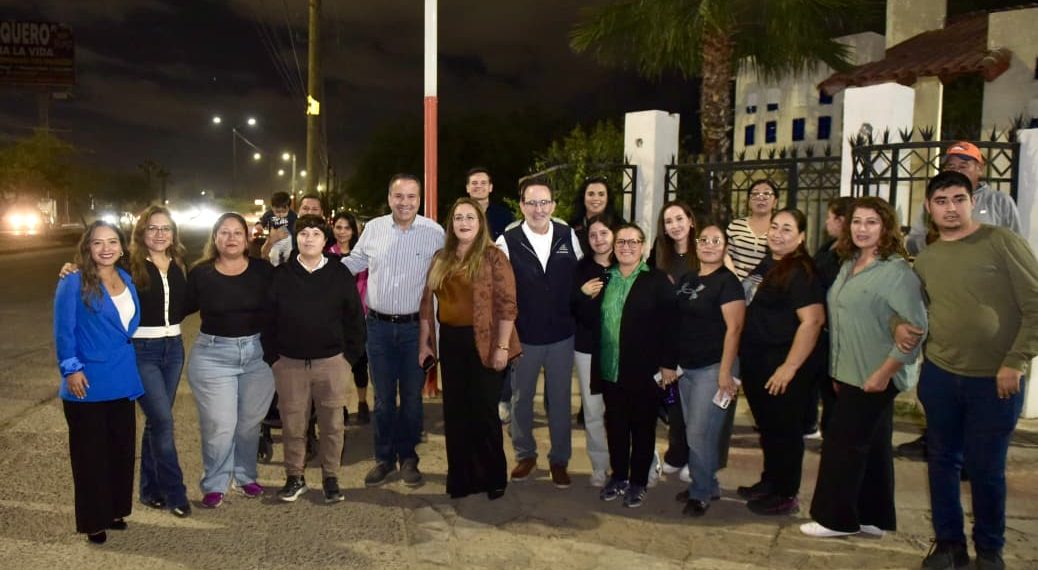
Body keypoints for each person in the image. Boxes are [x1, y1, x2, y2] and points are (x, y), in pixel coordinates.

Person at [901, 171, 1038, 570]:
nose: (950, 208)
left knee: (986, 468)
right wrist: (901, 327)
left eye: (958, 199)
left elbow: (1035, 304)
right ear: (929, 208)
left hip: (996, 379)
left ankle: (990, 550)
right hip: (942, 376)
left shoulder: (1001, 242)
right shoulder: (926, 259)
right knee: (942, 463)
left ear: (970, 201)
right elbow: (920, 312)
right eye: (941, 201)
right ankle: (949, 545)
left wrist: (1016, 360)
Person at [800, 197, 927, 539]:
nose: (862, 228)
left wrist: (883, 374)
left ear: (886, 227)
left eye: (872, 222)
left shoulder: (897, 271)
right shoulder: (849, 263)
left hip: (876, 374)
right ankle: (873, 516)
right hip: (850, 372)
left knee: (843, 445)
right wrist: (840, 372)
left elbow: (916, 329)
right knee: (873, 446)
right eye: (857, 221)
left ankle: (835, 518)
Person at [899, 141, 1024, 462]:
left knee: (985, 455)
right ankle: (935, 439)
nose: (956, 166)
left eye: (964, 162)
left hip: (991, 330)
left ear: (980, 168)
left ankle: (973, 454)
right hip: (945, 312)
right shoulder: (932, 205)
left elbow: (1017, 251)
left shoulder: (999, 204)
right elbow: (915, 241)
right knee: (943, 421)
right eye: (950, 163)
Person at [343, 174, 445, 488]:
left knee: (412, 399)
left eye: (411, 197)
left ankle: (409, 457)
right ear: (389, 198)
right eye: (399, 196)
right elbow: (354, 262)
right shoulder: (373, 229)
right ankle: (384, 459)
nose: (405, 202)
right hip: (378, 329)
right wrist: (315, 267)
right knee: (384, 399)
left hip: (417, 329)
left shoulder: (435, 233)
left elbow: (451, 272)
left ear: (420, 199)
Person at [418, 198, 521, 499]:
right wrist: (425, 343)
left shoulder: (493, 257)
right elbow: (426, 306)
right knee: (457, 413)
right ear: (451, 224)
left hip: (486, 342)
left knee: (484, 412)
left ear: (480, 223)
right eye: (458, 218)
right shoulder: (441, 257)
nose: (464, 223)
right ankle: (461, 479)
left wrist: (502, 346)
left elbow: (507, 305)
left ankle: (493, 477)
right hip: (451, 342)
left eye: (470, 218)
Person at [53, 221, 144, 544]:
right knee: (90, 456)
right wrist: (71, 369)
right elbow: (64, 331)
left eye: (112, 242)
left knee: (121, 450)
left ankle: (115, 510)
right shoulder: (73, 281)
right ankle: (93, 520)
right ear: (87, 248)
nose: (106, 248)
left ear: (121, 246)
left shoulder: (128, 279)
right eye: (97, 243)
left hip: (122, 379)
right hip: (87, 381)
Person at [578, 223, 677, 508]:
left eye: (633, 242)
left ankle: (638, 482)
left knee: (643, 427)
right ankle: (618, 476)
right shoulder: (605, 279)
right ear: (614, 246)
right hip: (610, 368)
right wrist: (584, 296)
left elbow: (672, 325)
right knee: (616, 426)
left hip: (644, 370)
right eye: (621, 242)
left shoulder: (657, 281)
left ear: (643, 246)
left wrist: (669, 365)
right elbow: (586, 318)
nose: (626, 247)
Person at [269, 215, 366, 504]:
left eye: (315, 234)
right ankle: (294, 477)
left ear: (326, 241)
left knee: (333, 424)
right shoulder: (282, 275)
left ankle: (331, 478)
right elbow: (268, 319)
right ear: (296, 238)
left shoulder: (339, 274)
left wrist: (347, 358)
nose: (309, 238)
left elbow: (354, 320)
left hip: (331, 363)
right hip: (289, 364)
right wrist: (273, 357)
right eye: (304, 233)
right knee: (293, 423)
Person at [737, 208, 826, 516]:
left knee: (785, 431)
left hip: (783, 364)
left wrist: (789, 367)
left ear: (801, 237)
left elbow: (812, 321)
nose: (777, 233)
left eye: (787, 229)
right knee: (769, 428)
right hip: (758, 361)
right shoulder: (769, 262)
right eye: (774, 227)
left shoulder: (801, 271)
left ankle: (786, 493)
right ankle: (771, 481)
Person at [496, 178, 583, 488]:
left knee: (559, 401)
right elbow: (498, 289)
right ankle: (525, 455)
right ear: (521, 206)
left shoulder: (567, 235)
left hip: (561, 334)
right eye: (531, 203)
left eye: (544, 202)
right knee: (521, 400)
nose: (538, 209)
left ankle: (559, 460)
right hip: (525, 336)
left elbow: (582, 273)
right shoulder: (507, 240)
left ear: (553, 206)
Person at [185, 213, 276, 508]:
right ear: (215, 238)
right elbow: (171, 305)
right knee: (221, 424)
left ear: (247, 237)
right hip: (213, 356)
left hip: (257, 356)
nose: (231, 238)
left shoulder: (264, 271)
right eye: (224, 233)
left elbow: (290, 297)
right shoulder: (201, 273)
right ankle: (215, 482)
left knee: (249, 424)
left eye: (237, 232)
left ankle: (246, 476)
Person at [671, 224, 745, 517]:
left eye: (717, 240)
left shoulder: (728, 283)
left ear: (725, 246)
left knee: (699, 433)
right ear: (696, 244)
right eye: (704, 240)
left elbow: (735, 329)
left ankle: (700, 492)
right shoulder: (688, 278)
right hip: (687, 368)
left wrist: (725, 372)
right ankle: (709, 483)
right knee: (697, 431)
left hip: (713, 368)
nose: (709, 245)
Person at [648, 200, 698, 481]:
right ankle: (677, 454)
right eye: (668, 221)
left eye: (679, 219)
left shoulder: (705, 251)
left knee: (696, 406)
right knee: (673, 404)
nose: (675, 226)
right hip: (667, 344)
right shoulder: (660, 254)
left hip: (696, 342)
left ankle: (696, 457)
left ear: (690, 221)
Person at [571, 213, 618, 487]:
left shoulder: (627, 264)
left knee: (624, 410)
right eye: (593, 235)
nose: (599, 240)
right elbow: (570, 305)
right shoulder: (581, 269)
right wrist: (582, 293)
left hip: (622, 349)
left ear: (613, 235)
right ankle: (600, 466)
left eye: (604, 233)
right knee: (593, 411)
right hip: (588, 348)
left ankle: (640, 462)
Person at [806, 196, 856, 439]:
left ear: (842, 220)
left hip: (839, 334)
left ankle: (835, 440)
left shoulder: (851, 256)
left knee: (837, 395)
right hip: (823, 332)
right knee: (826, 389)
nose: (826, 222)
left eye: (829, 217)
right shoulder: (829, 247)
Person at [329, 211, 370, 424]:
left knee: (360, 365)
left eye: (347, 228)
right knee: (338, 367)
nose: (342, 232)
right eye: (339, 227)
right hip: (335, 320)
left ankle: (362, 402)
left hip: (360, 317)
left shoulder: (361, 254)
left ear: (353, 231)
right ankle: (341, 406)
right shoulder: (327, 253)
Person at [727, 180, 777, 280]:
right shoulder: (735, 226)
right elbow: (726, 257)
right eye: (755, 194)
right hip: (736, 288)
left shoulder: (779, 230)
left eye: (767, 193)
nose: (761, 197)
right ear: (749, 201)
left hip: (768, 290)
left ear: (775, 202)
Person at [569, 176, 623, 257]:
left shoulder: (620, 225)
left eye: (601, 194)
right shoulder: (571, 227)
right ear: (583, 197)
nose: (596, 198)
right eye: (591, 194)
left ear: (608, 198)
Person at [465, 167, 514, 240]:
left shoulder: (504, 215)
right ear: (467, 188)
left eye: (483, 183)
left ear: (490, 187)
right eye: (474, 183)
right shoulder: (458, 215)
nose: (479, 186)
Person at [257, 191, 296, 266]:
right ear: (272, 208)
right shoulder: (269, 214)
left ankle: (288, 266)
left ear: (288, 208)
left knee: (289, 254)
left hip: (287, 239)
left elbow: (298, 223)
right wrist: (259, 225)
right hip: (275, 241)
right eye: (277, 212)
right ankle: (275, 267)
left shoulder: (292, 215)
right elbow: (262, 221)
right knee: (273, 255)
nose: (281, 214)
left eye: (284, 212)